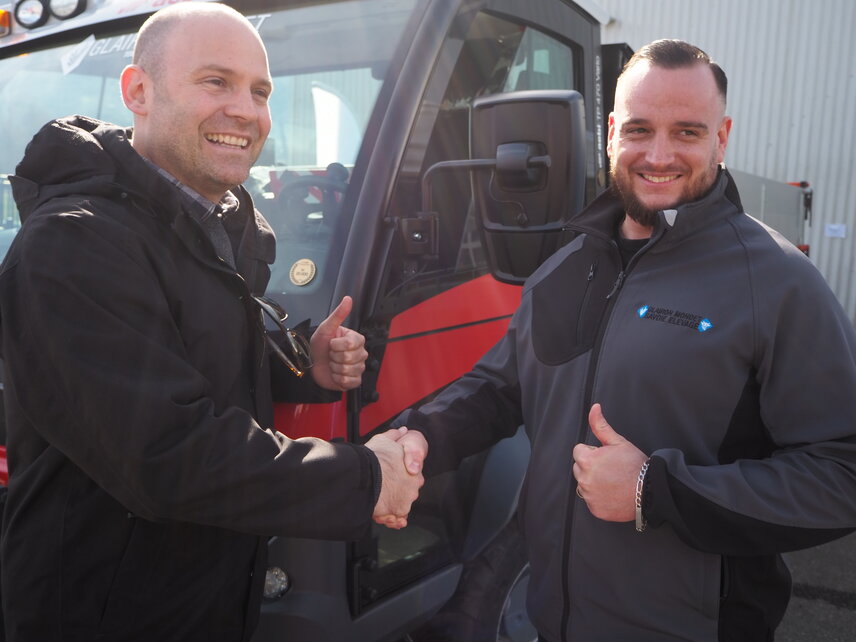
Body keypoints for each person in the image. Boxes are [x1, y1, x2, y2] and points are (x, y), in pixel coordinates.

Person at [395, 39, 856, 641]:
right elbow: (499, 389)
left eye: (687, 132)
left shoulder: (775, 281)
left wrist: (654, 490)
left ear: (723, 137)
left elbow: (840, 474)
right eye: (639, 129)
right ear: (612, 131)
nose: (658, 155)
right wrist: (415, 441)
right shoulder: (565, 267)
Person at [0, 4, 421, 641]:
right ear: (138, 92)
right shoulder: (72, 245)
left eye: (260, 91)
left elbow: (197, 347)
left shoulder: (213, 225)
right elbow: (168, 450)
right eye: (215, 82)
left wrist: (307, 362)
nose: (246, 112)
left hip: (207, 597)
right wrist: (365, 480)